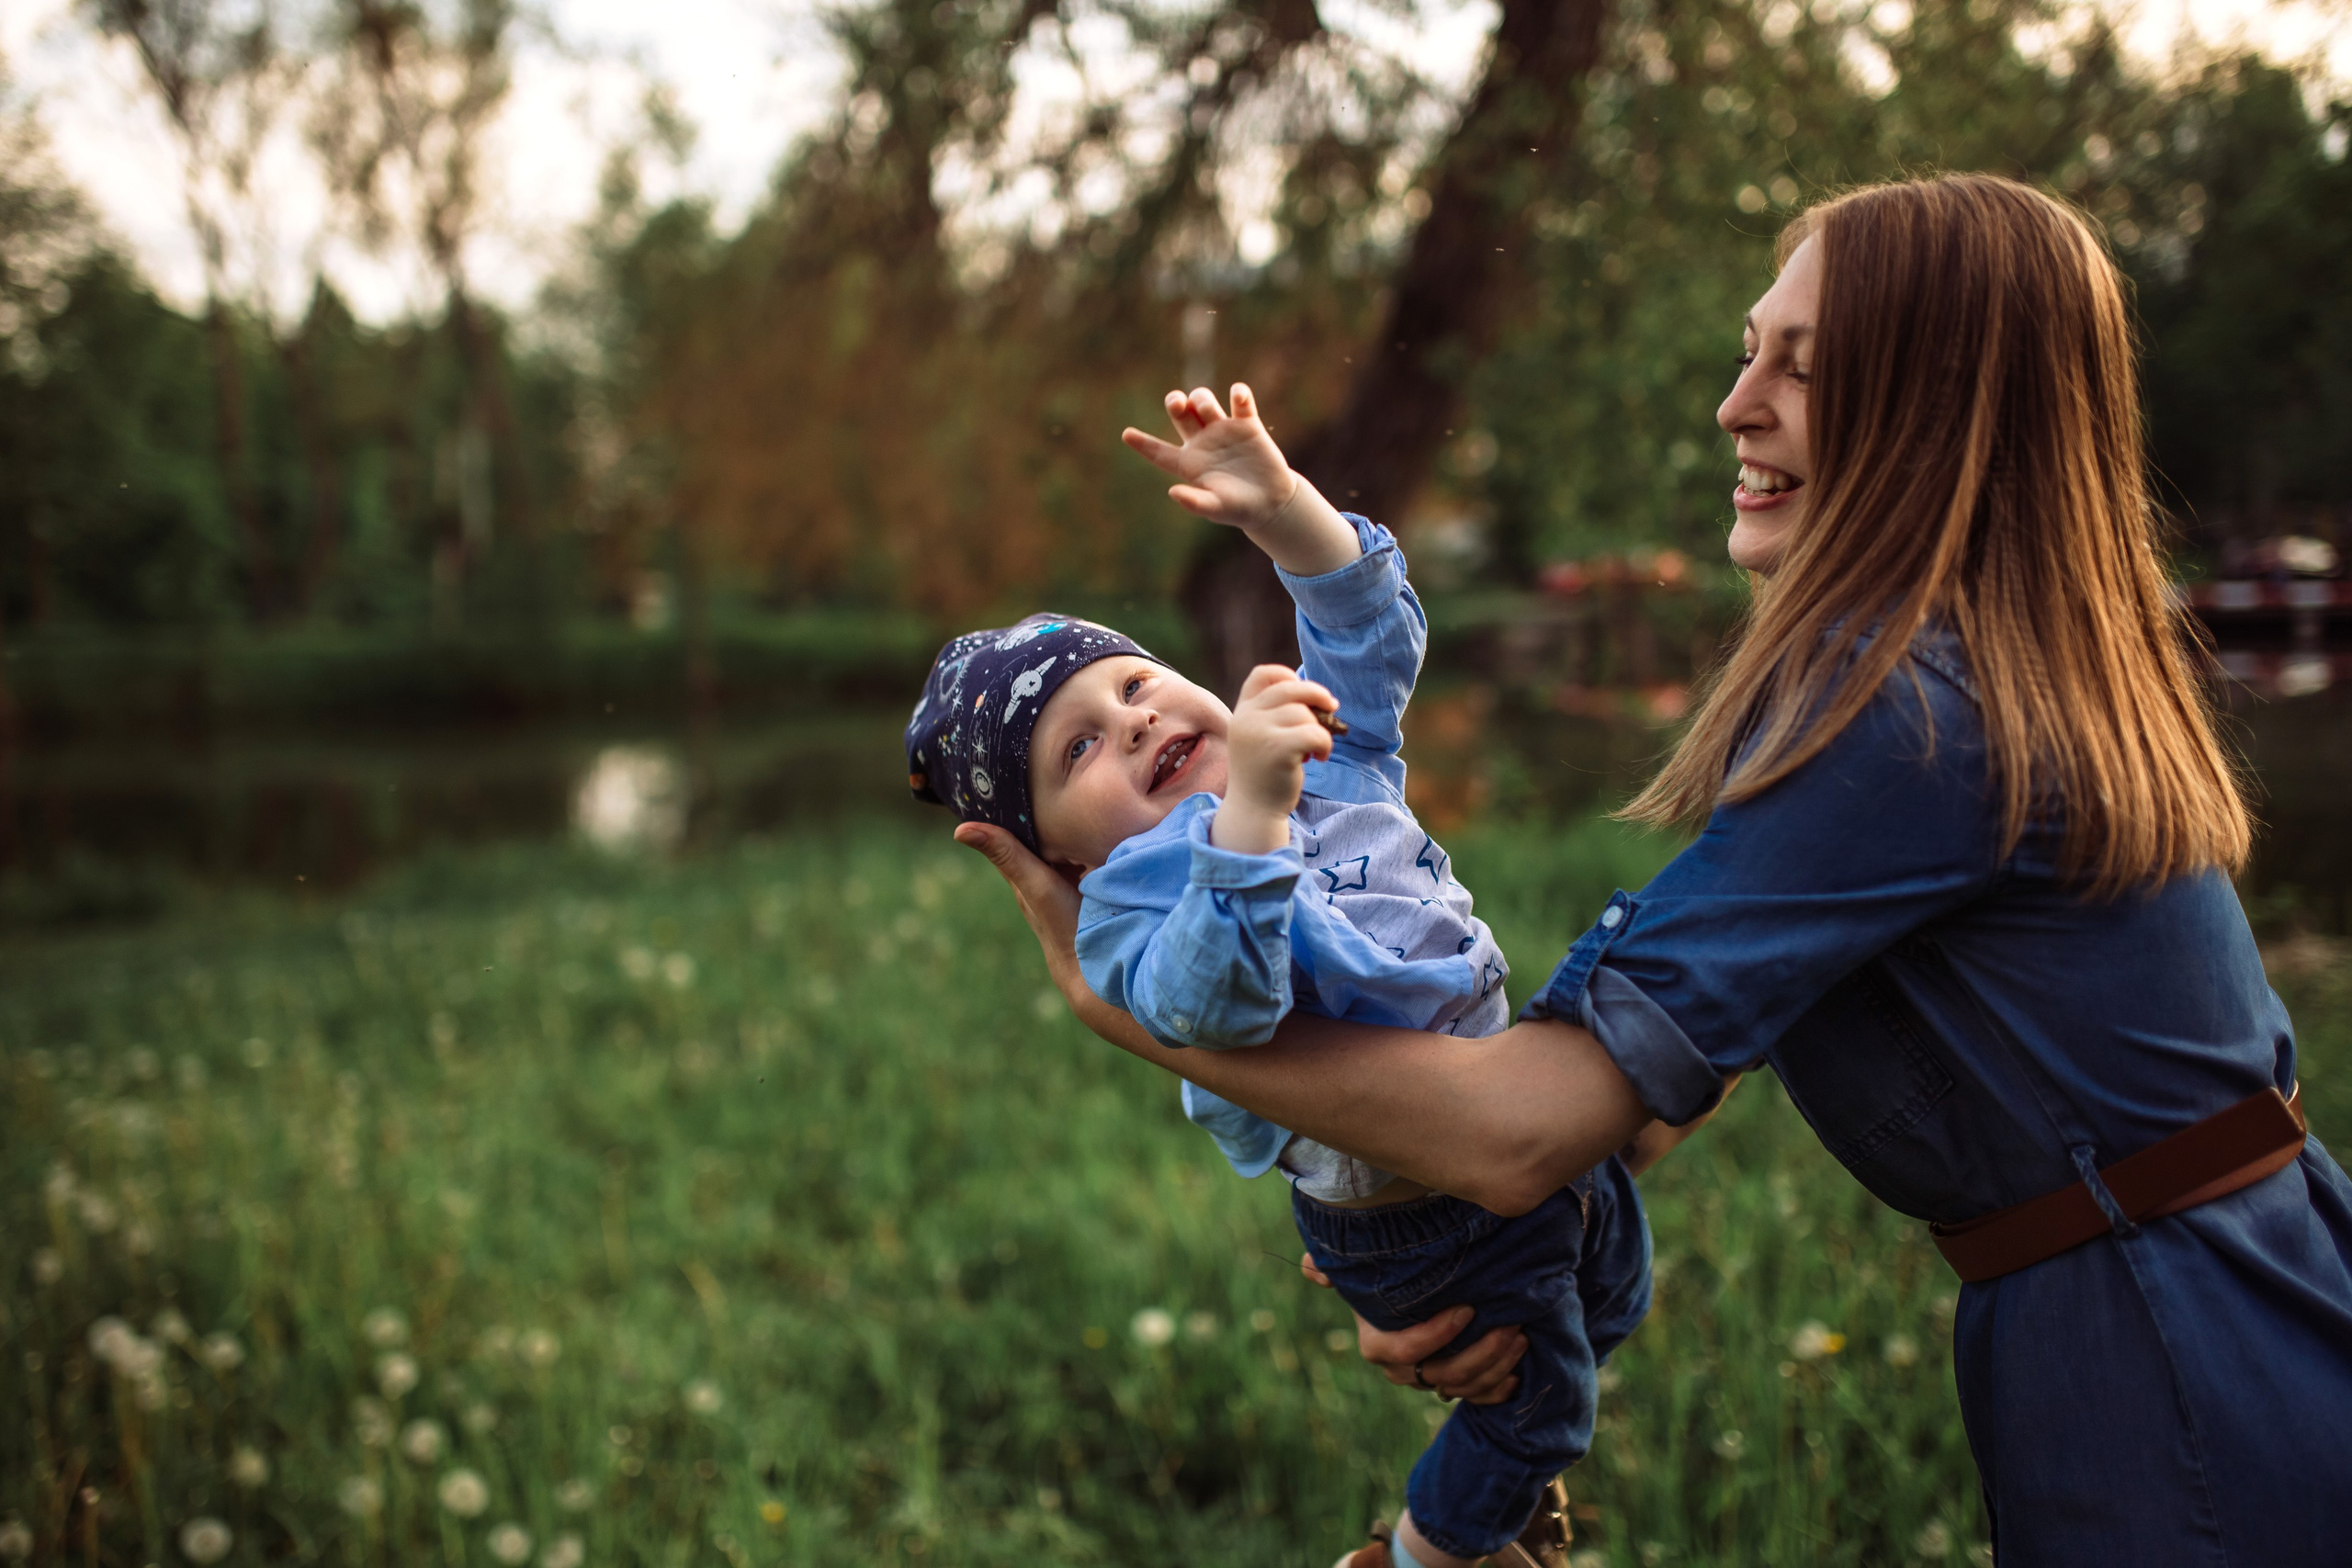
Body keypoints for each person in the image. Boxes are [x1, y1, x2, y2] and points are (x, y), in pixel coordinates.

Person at [956, 173, 2352, 1567]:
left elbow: (1521, 1131)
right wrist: (1424, 1239)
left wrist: (1126, 1014)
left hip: (2166, 1353)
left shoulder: (1914, 719)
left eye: (1804, 370)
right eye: (1752, 352)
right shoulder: (1983, 670)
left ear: (1936, 414)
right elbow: (1649, 1093)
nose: (1737, 407)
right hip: (2226, 1298)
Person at [906, 386, 1694, 1568]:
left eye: (1130, 686)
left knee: (1609, 1298)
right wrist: (1256, 815)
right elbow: (1213, 1009)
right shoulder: (1135, 902)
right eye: (1075, 749)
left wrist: (1286, 512)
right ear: (1064, 852)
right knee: (1543, 1402)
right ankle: (1424, 1553)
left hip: (1513, 1109)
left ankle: (1513, 1502)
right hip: (1410, 1206)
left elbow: (1372, 630)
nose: (1127, 724)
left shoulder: (1311, 750)